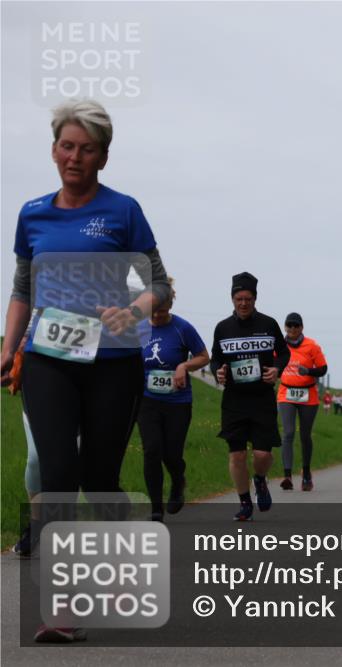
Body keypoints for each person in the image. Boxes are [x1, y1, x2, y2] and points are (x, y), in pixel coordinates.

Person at [0, 99, 171, 642]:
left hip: (114, 362)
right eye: (67, 146)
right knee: (56, 476)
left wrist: (135, 309)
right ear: (54, 149)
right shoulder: (32, 213)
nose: (75, 157)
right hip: (49, 358)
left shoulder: (123, 211)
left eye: (87, 148)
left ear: (103, 155)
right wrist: (9, 348)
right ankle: (63, 608)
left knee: (99, 480)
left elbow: (161, 285)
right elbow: (23, 289)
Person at [210, 272, 290, 521]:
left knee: (262, 455)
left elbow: (284, 353)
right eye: (238, 298)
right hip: (234, 400)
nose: (243, 303)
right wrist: (218, 372)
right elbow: (216, 359)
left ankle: (260, 479)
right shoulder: (223, 328)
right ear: (232, 299)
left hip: (262, 398)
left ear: (255, 299)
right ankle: (245, 503)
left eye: (247, 298)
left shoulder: (268, 324)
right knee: (237, 455)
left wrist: (276, 369)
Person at [137, 279, 209, 521]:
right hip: (146, 400)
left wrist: (184, 365)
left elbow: (203, 356)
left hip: (178, 402)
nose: (158, 316)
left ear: (170, 305)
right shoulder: (137, 328)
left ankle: (178, 481)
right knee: (151, 450)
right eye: (154, 311)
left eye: (163, 310)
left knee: (171, 453)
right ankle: (156, 509)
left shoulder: (182, 328)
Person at [277, 312, 328, 492]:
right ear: (285, 327)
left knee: (305, 435)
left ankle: (306, 473)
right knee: (288, 433)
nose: (292, 329)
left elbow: (323, 369)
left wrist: (309, 372)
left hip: (308, 395)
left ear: (301, 328)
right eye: (289, 325)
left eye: (296, 326)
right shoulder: (279, 345)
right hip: (286, 393)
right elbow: (270, 363)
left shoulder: (312, 346)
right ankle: (287, 476)